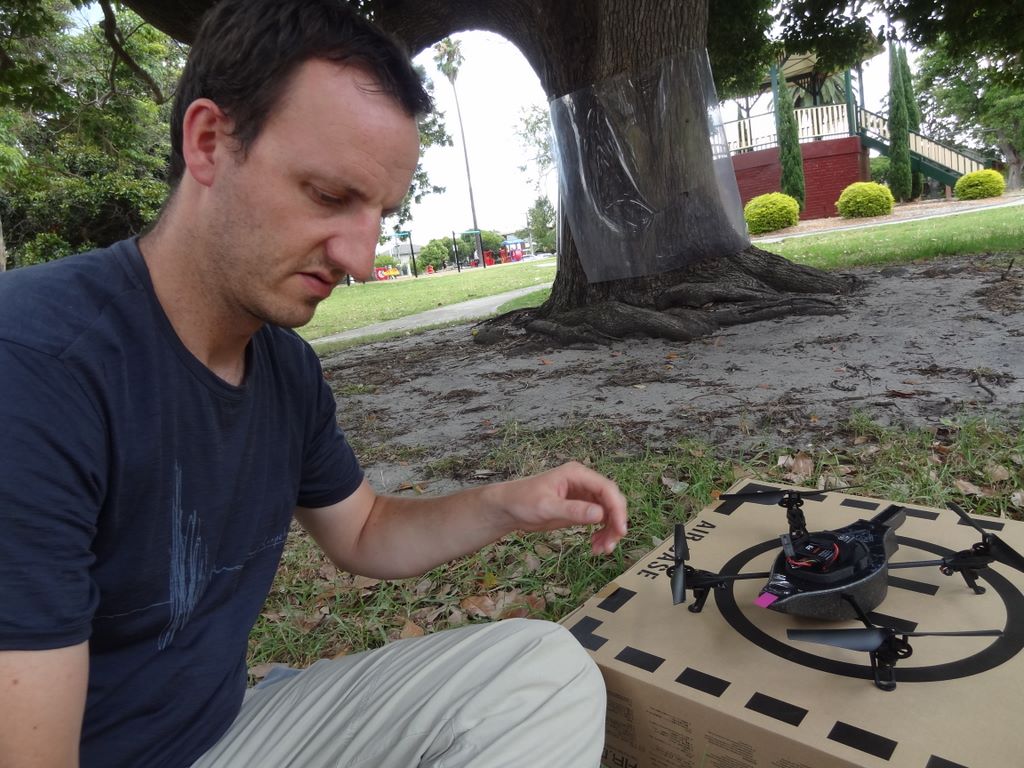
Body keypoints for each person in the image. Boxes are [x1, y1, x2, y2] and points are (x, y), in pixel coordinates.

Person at [0, 1, 628, 766]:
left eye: (380, 213)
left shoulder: (283, 367)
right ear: (209, 142)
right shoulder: (35, 364)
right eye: (330, 197)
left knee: (540, 673)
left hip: (225, 730)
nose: (360, 259)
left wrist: (506, 505)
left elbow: (363, 531)